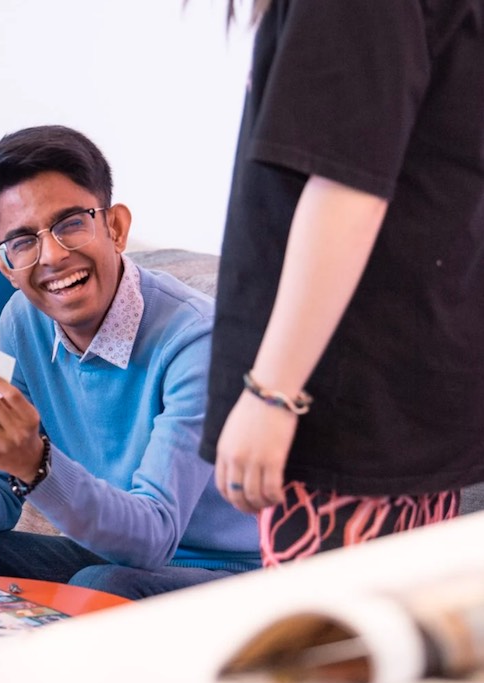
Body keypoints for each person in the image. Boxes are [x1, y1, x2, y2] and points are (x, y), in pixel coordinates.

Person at [0, 125, 260, 600]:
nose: (53, 257)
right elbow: (8, 492)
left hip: (223, 572)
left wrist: (37, 464)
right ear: (5, 266)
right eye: (22, 242)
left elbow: (155, 537)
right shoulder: (22, 321)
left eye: (71, 223)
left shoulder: (196, 340)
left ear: (115, 227)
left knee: (98, 589)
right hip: (109, 554)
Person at [200, 0, 484, 566]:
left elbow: (349, 188)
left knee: (327, 646)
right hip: (388, 393)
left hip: (342, 402)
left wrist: (273, 393)